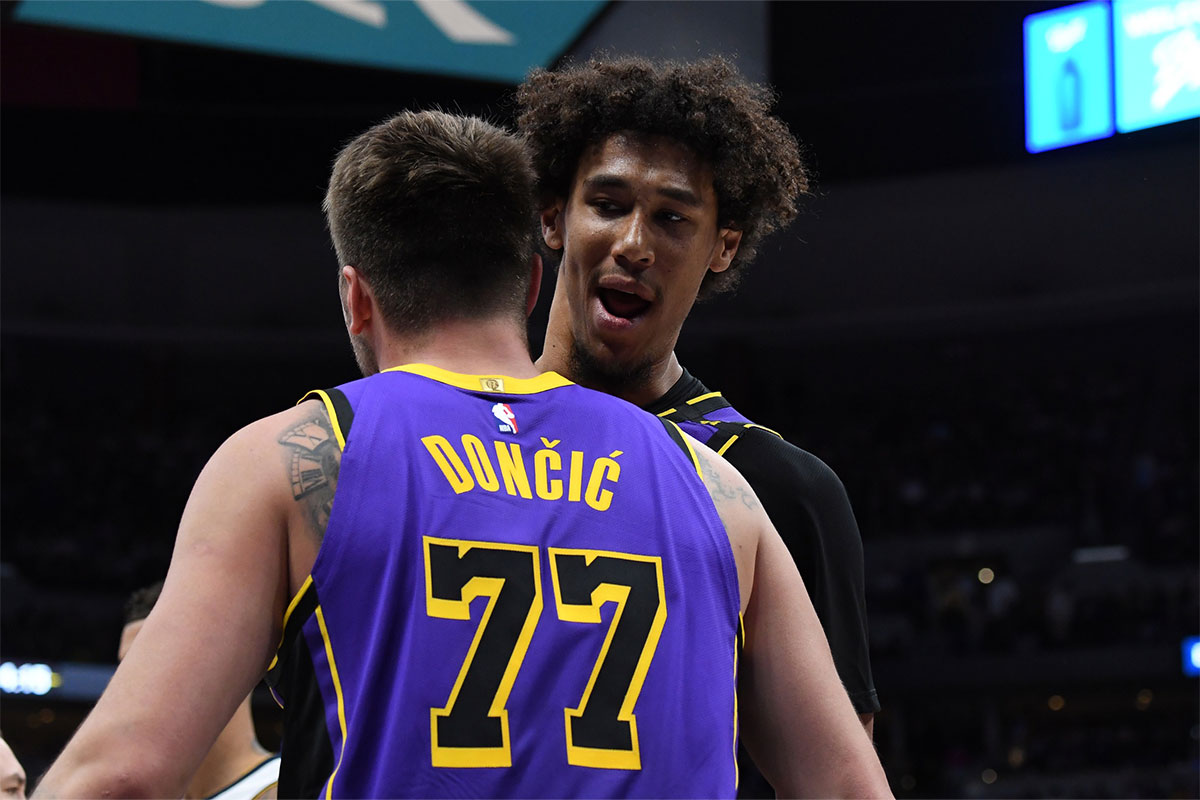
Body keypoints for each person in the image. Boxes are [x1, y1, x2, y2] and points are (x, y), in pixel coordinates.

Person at [34, 110, 890, 799]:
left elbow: (122, 775)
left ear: (356, 299)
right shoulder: (716, 483)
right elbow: (851, 786)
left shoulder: (299, 455)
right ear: (527, 280)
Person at [516, 55, 880, 793]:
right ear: (553, 216)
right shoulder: (439, 444)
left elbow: (837, 781)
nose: (635, 244)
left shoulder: (782, 490)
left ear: (724, 247)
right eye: (609, 203)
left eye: (673, 217)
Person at [119, 582, 280, 800]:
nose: (126, 686)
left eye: (155, 663)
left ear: (230, 663)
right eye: (124, 668)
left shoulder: (297, 787)